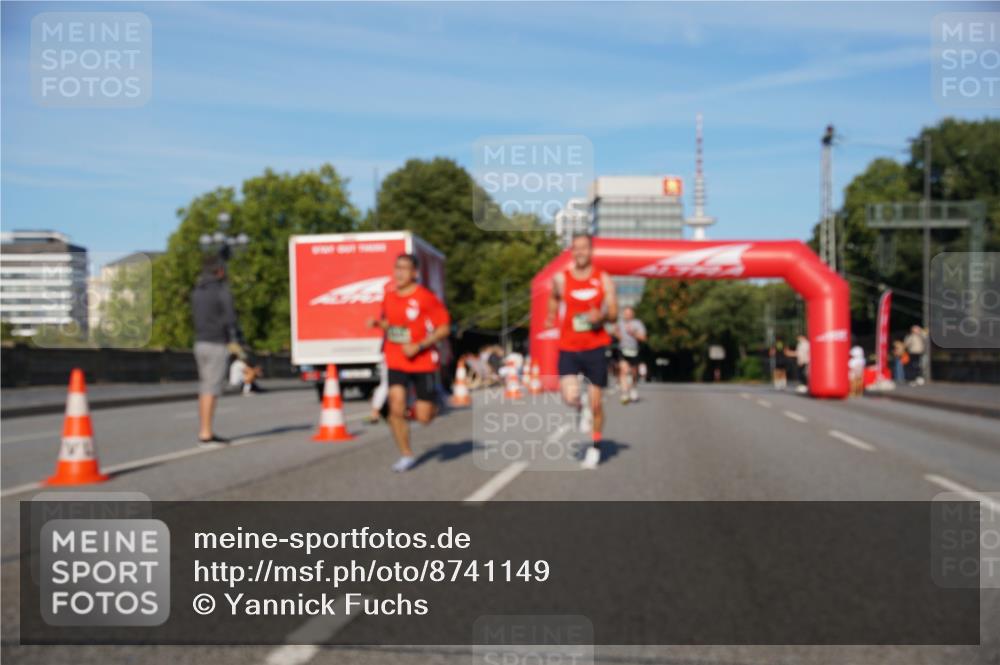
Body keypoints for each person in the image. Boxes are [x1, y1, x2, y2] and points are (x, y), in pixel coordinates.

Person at [366, 253, 451, 473]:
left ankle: (436, 402)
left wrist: (419, 345)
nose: (399, 272)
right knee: (396, 405)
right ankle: (406, 454)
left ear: (415, 273)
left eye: (405, 268)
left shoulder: (426, 298)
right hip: (396, 358)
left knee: (424, 418)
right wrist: (378, 324)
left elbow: (444, 328)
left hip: (423, 361)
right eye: (397, 267)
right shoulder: (389, 296)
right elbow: (395, 328)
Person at [545, 233, 618, 469]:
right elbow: (554, 299)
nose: (580, 253)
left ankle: (595, 449)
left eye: (584, 248)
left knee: (596, 405)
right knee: (569, 397)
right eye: (575, 249)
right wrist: (549, 316)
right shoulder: (561, 278)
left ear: (591, 251)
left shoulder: (603, 278)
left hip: (595, 346)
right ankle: (580, 406)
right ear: (571, 252)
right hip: (568, 346)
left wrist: (603, 316)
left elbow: (614, 313)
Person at [191, 254, 242, 446]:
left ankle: (205, 430)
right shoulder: (222, 291)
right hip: (217, 343)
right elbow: (230, 320)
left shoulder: (197, 291)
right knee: (211, 388)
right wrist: (236, 342)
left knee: (205, 385)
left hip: (200, 342)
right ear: (220, 271)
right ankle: (206, 432)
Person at [615, 306, 647, 404]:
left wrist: (634, 333)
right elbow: (615, 333)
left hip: (634, 350)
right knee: (623, 371)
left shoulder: (638, 324)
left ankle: (633, 389)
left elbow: (643, 338)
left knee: (633, 372)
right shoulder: (619, 323)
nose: (627, 315)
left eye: (629, 313)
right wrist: (617, 334)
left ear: (633, 314)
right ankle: (624, 393)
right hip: (622, 350)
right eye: (626, 313)